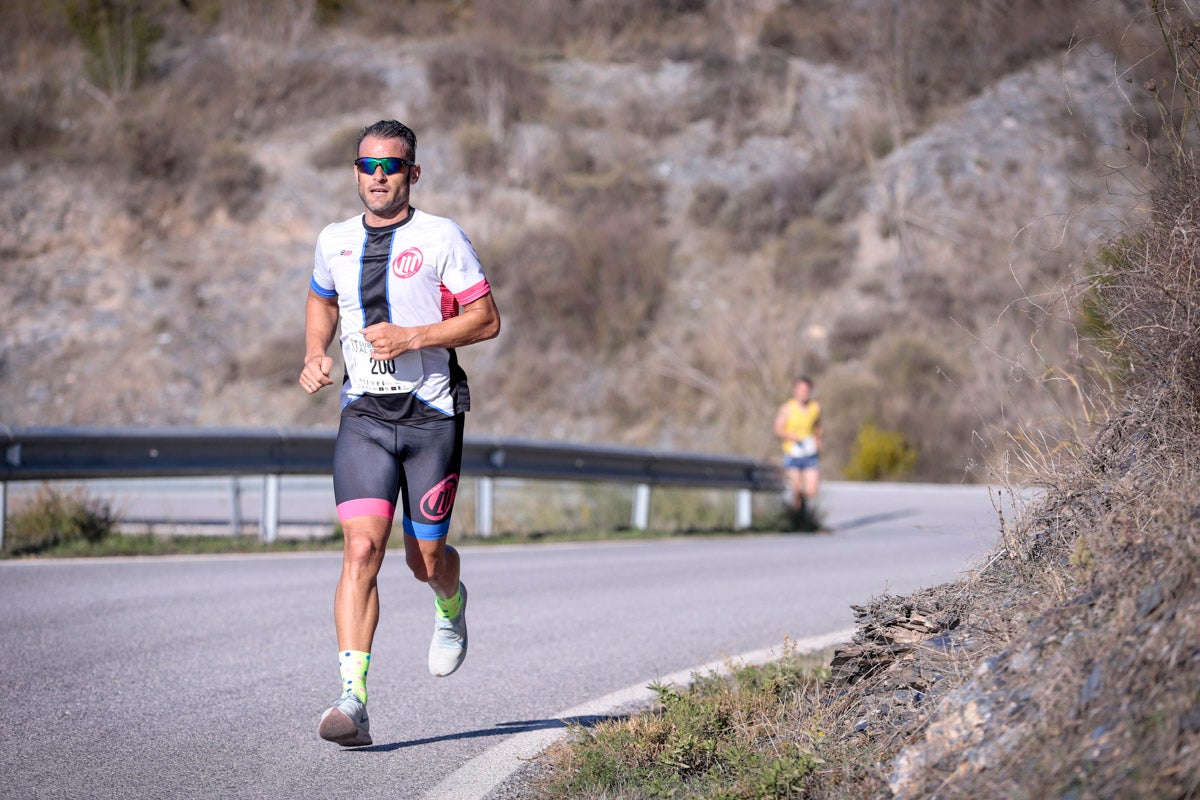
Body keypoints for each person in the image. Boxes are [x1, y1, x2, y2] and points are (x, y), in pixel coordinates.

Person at [298, 119, 501, 747]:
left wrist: (414, 336)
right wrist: (315, 352)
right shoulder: (333, 240)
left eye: (391, 166)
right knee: (361, 550)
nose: (378, 176)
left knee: (424, 560)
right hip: (364, 416)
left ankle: (451, 604)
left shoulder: (441, 236)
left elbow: (486, 319)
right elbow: (322, 299)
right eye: (368, 165)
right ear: (356, 172)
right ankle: (352, 701)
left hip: (430, 416)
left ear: (413, 173)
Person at [773, 376, 822, 523]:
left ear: (810, 391)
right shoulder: (787, 408)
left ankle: (802, 512)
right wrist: (788, 435)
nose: (803, 393)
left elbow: (818, 426)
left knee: (812, 490)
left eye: (806, 390)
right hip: (793, 454)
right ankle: (797, 520)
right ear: (795, 391)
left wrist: (818, 439)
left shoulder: (815, 408)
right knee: (796, 489)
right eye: (800, 390)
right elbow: (777, 428)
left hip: (810, 453)